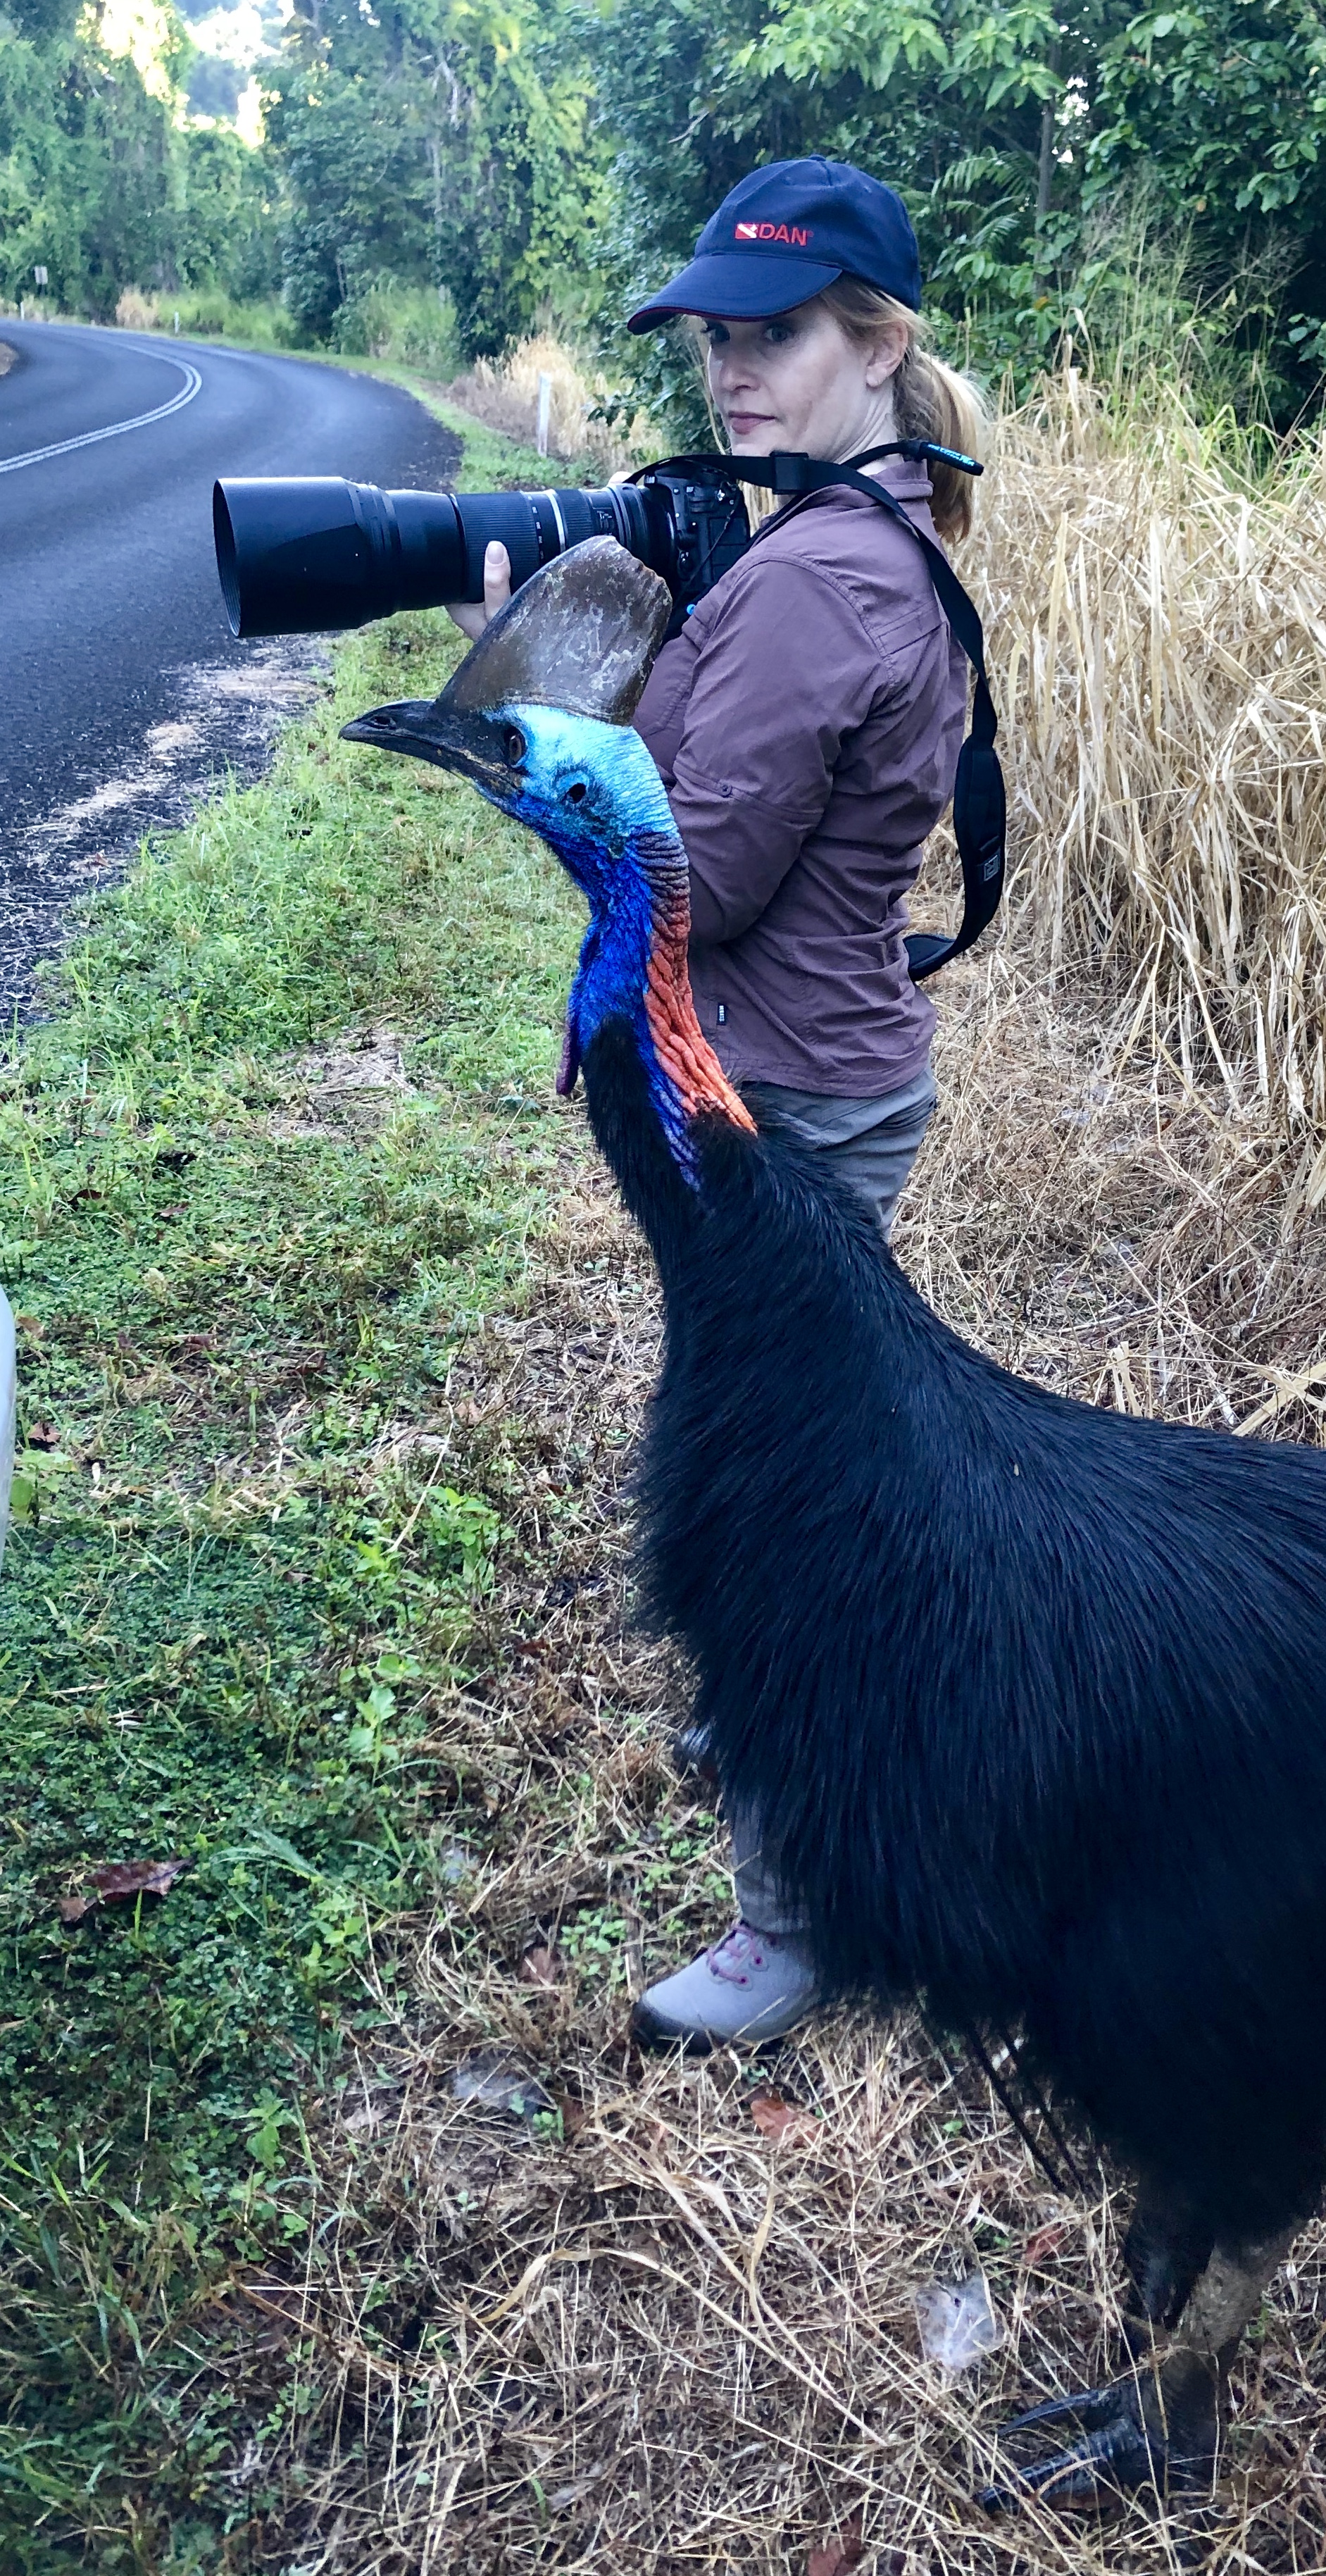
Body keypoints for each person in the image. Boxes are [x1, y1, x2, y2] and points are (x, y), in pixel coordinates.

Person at [452, 156, 987, 2048]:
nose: (731, 372)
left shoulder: (818, 581)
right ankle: (823, 1787)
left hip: (779, 1105)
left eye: (774, 337)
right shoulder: (871, 533)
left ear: (875, 342)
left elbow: (686, 883)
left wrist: (541, 687)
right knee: (814, 1461)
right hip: (822, 1076)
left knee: (768, 1508)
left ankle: (795, 1914)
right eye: (712, 339)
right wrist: (683, 611)